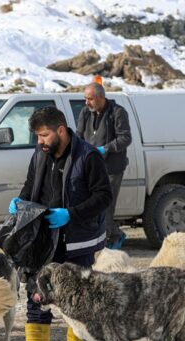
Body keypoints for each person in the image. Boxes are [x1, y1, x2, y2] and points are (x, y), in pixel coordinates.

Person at [8, 106, 111, 341]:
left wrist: (71, 215)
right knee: (36, 303)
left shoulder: (88, 156)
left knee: (77, 309)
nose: (40, 141)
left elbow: (104, 196)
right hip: (42, 242)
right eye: (37, 136)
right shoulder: (40, 153)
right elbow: (31, 184)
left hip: (76, 245)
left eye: (44, 135)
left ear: (61, 130)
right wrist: (20, 201)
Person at [76, 82, 132, 249]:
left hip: (112, 168)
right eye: (85, 99)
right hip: (91, 167)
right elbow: (79, 136)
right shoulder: (86, 112)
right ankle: (113, 234)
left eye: (90, 99)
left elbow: (125, 138)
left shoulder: (118, 112)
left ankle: (108, 241)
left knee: (105, 205)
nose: (87, 102)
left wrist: (105, 149)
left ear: (101, 98)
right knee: (91, 204)